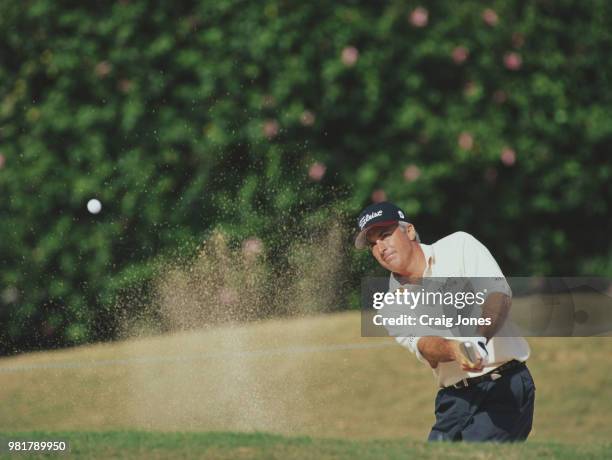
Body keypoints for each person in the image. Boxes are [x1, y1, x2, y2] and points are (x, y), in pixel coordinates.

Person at [355, 201, 535, 442]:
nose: (380, 247)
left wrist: (477, 340)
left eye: (386, 235)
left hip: (503, 385)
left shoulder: (459, 246)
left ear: (409, 231)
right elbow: (424, 346)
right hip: (454, 400)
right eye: (373, 243)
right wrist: (454, 348)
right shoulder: (390, 305)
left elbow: (498, 295)